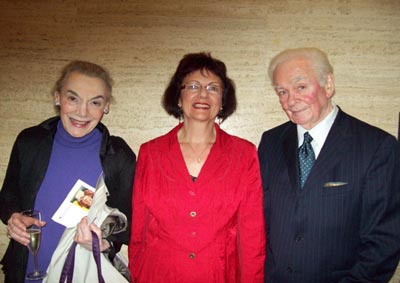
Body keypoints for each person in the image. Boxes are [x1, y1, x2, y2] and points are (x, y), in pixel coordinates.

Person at [258, 47, 400, 283]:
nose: (290, 100)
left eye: (300, 87)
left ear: (328, 85)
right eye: (282, 92)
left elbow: (384, 239)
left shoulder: (377, 146)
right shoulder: (271, 142)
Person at [128, 52, 265, 282]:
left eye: (213, 88)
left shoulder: (244, 154)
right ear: (179, 97)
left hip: (218, 275)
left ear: (222, 101)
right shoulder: (150, 153)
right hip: (159, 275)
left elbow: (252, 234)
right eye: (193, 85)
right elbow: (139, 230)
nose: (203, 94)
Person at [0, 60, 136, 283]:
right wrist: (12, 217)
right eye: (73, 99)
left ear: (106, 106)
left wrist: (106, 242)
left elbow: (133, 222)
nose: (82, 112)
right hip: (24, 273)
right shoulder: (30, 141)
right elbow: (7, 196)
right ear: (57, 97)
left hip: (82, 273)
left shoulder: (117, 154)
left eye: (95, 102)